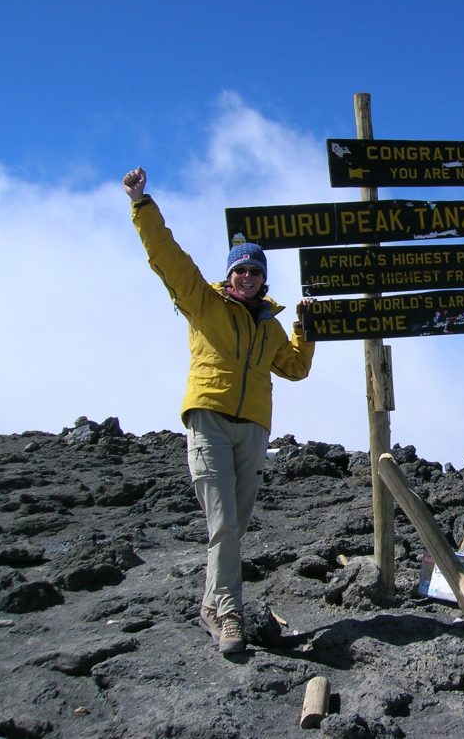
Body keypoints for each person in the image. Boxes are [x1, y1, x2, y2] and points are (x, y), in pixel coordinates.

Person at [122, 167, 315, 655]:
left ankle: (211, 603)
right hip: (207, 417)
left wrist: (305, 330)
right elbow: (167, 257)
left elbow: (294, 369)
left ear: (263, 277)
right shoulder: (202, 302)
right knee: (224, 523)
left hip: (253, 428)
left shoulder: (270, 325)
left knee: (235, 525)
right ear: (229, 274)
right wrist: (142, 204)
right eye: (240, 270)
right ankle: (227, 617)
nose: (247, 277)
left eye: (254, 271)